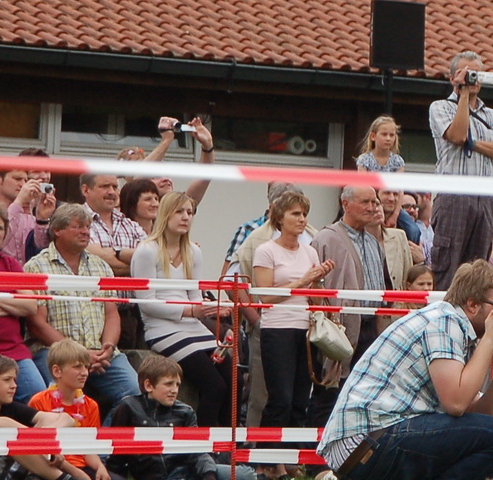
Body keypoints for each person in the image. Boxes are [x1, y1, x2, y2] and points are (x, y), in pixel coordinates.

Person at [309, 260, 493, 480]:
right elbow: (457, 404)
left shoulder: (453, 328)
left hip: (366, 446)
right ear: (472, 304)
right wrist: (488, 343)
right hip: (368, 443)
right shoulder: (445, 321)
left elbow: (480, 415)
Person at [131, 192, 234, 427]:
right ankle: (207, 445)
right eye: (179, 212)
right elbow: (146, 303)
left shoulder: (193, 252)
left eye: (189, 212)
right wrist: (192, 312)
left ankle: (229, 443)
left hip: (192, 326)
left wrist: (214, 309)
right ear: (166, 214)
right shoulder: (147, 251)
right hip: (161, 329)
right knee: (213, 385)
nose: (185, 217)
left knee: (232, 378)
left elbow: (195, 298)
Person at [25, 204, 138, 414]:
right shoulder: (36, 267)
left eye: (87, 227)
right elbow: (37, 324)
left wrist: (109, 347)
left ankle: (100, 443)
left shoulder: (101, 266)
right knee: (52, 401)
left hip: (101, 353)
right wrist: (79, 354)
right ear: (57, 230)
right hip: (55, 353)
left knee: (134, 394)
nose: (86, 232)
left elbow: (111, 313)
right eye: (78, 226)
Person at [104, 354, 261, 480]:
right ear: (149, 385)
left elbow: (198, 450)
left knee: (246, 475)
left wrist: (210, 478)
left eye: (177, 385)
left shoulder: (185, 411)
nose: (174, 390)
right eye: (169, 384)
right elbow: (116, 453)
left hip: (189, 470)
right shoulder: (128, 408)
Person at [252, 191, 335, 455]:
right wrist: (301, 281)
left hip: (305, 329)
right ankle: (266, 457)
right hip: (277, 328)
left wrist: (319, 279)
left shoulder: (310, 251)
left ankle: (291, 457)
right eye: (295, 214)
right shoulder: (266, 250)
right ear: (280, 218)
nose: (301, 220)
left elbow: (315, 300)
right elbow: (264, 295)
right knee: (281, 399)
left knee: (301, 398)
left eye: (304, 214)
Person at [428, 53, 493, 289]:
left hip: (486, 197)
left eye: (476, 73)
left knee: (478, 270)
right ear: (453, 77)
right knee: (449, 265)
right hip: (454, 196)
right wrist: (463, 94)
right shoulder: (441, 107)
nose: (473, 79)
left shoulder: (492, 115)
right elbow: (457, 135)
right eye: (467, 73)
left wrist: (473, 144)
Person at [311, 186, 396, 423]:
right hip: (339, 328)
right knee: (330, 391)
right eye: (365, 202)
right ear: (345, 204)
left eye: (374, 202)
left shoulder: (373, 242)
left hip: (369, 326)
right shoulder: (327, 238)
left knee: (361, 392)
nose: (372, 207)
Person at [0, 353, 111, 480]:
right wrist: (39, 443)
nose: (14, 385)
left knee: (19, 441)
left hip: (1, 469)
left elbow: (66, 419)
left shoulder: (9, 407)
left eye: (15, 380)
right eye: (7, 380)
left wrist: (43, 441)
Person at [29, 339, 125, 480]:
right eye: (77, 367)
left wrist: (100, 467)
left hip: (83, 465)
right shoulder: (39, 401)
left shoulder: (90, 405)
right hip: (54, 467)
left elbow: (88, 446)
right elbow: (40, 449)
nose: (84, 373)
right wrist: (76, 473)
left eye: (86, 367)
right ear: (57, 371)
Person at [0, 201, 39, 400]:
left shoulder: (10, 263)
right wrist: (12, 304)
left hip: (14, 349)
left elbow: (30, 306)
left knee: (36, 393)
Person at [0, 164, 55, 267]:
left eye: (25, 181)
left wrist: (42, 219)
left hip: (26, 278)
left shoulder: (26, 215)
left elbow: (42, 250)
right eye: (17, 179)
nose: (23, 185)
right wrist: (19, 201)